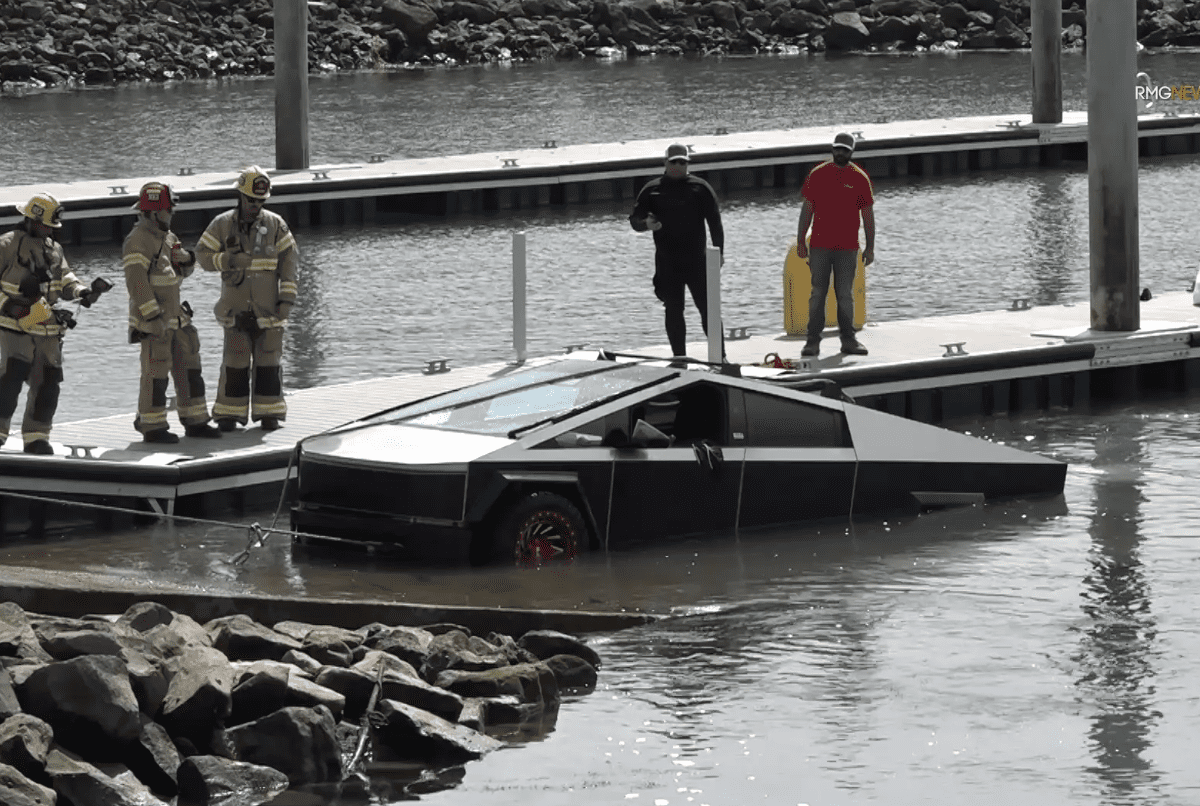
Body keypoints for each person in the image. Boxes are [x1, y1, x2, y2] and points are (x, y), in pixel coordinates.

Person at [0, 193, 107, 454]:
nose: (50, 230)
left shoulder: (53, 248)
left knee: (48, 387)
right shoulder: (6, 246)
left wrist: (83, 292)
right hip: (15, 330)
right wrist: (9, 304)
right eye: (46, 224)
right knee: (9, 383)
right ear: (31, 218)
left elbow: (65, 278)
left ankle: (36, 438)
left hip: (48, 332)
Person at [195, 166, 298, 432]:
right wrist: (227, 260)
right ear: (240, 196)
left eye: (261, 201)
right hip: (236, 309)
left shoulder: (277, 225)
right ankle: (229, 415)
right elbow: (202, 255)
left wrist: (286, 302)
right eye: (251, 200)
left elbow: (290, 264)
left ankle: (269, 414)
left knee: (269, 362)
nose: (256, 206)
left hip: (269, 309)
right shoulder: (222, 224)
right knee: (235, 363)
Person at [124, 181, 221, 443]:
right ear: (153, 213)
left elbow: (182, 273)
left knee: (190, 370)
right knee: (155, 375)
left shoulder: (168, 238)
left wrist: (188, 261)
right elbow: (137, 284)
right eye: (168, 210)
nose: (172, 214)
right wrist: (153, 317)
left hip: (177, 319)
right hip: (155, 324)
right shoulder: (137, 241)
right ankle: (151, 425)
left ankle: (196, 421)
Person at [630, 143, 725, 361]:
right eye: (674, 162)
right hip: (667, 262)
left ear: (688, 164)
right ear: (665, 163)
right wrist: (646, 224)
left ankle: (720, 357)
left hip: (698, 261)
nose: (678, 166)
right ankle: (679, 358)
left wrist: (719, 253)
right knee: (673, 310)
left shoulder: (700, 188)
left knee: (709, 310)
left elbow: (715, 223)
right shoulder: (652, 189)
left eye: (683, 162)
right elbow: (634, 221)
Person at [797, 132, 875, 357]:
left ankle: (848, 340)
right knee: (817, 293)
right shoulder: (818, 174)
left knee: (844, 294)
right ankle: (812, 342)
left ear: (851, 152)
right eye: (837, 148)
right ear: (832, 149)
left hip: (848, 248)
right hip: (820, 246)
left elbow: (868, 216)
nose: (839, 153)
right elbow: (807, 210)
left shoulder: (860, 178)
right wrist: (801, 240)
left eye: (844, 149)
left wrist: (870, 247)